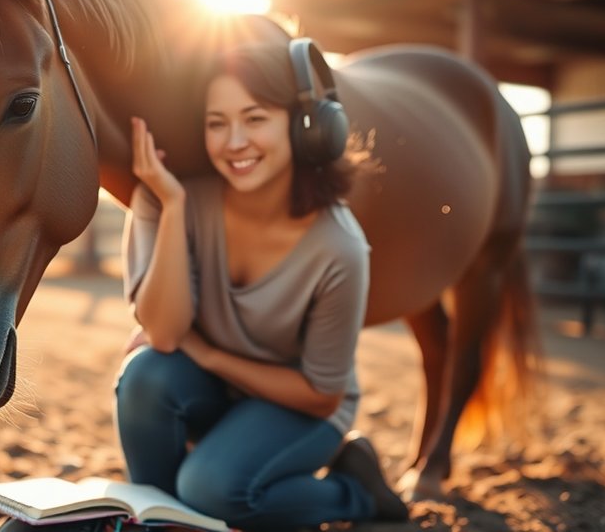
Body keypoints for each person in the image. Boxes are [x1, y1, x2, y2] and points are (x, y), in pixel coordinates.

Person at [115, 41, 409, 530]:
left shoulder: (340, 247)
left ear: (304, 125)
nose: (234, 142)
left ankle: (356, 493)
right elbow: (165, 336)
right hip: (214, 391)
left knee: (209, 489)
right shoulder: (167, 198)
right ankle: (162, 520)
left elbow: (321, 395)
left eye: (255, 119)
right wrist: (174, 207)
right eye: (216, 123)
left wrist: (209, 355)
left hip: (300, 408)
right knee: (145, 375)